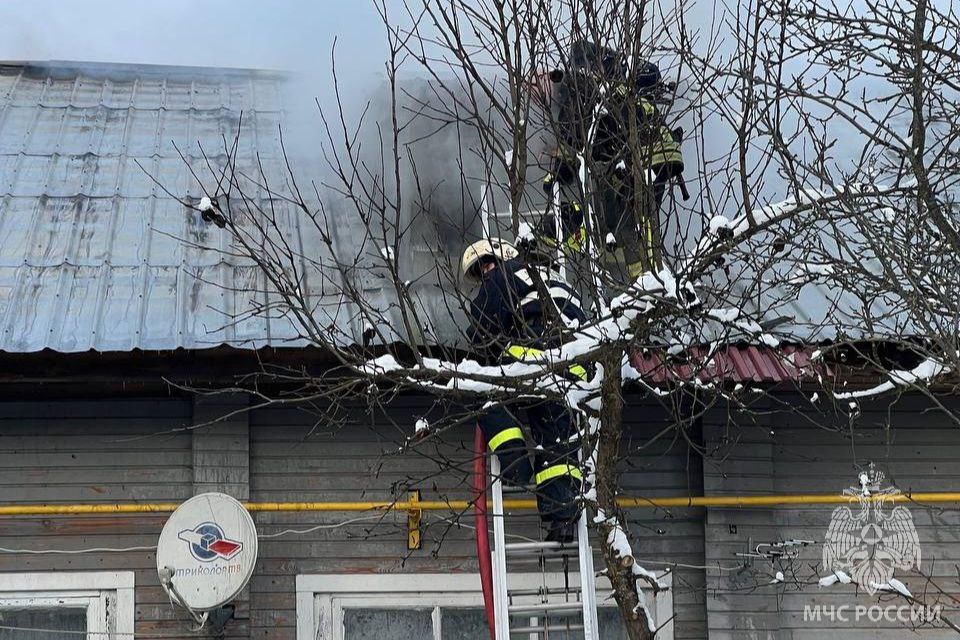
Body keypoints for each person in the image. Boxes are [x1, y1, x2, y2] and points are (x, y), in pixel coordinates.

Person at [460, 238, 587, 542]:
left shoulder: (505, 273)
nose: (485, 274)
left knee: (477, 388)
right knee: (555, 439)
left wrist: (482, 355)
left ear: (502, 257)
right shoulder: (553, 275)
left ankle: (515, 464)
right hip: (575, 369)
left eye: (486, 265)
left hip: (537, 358)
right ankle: (563, 518)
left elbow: (480, 324)